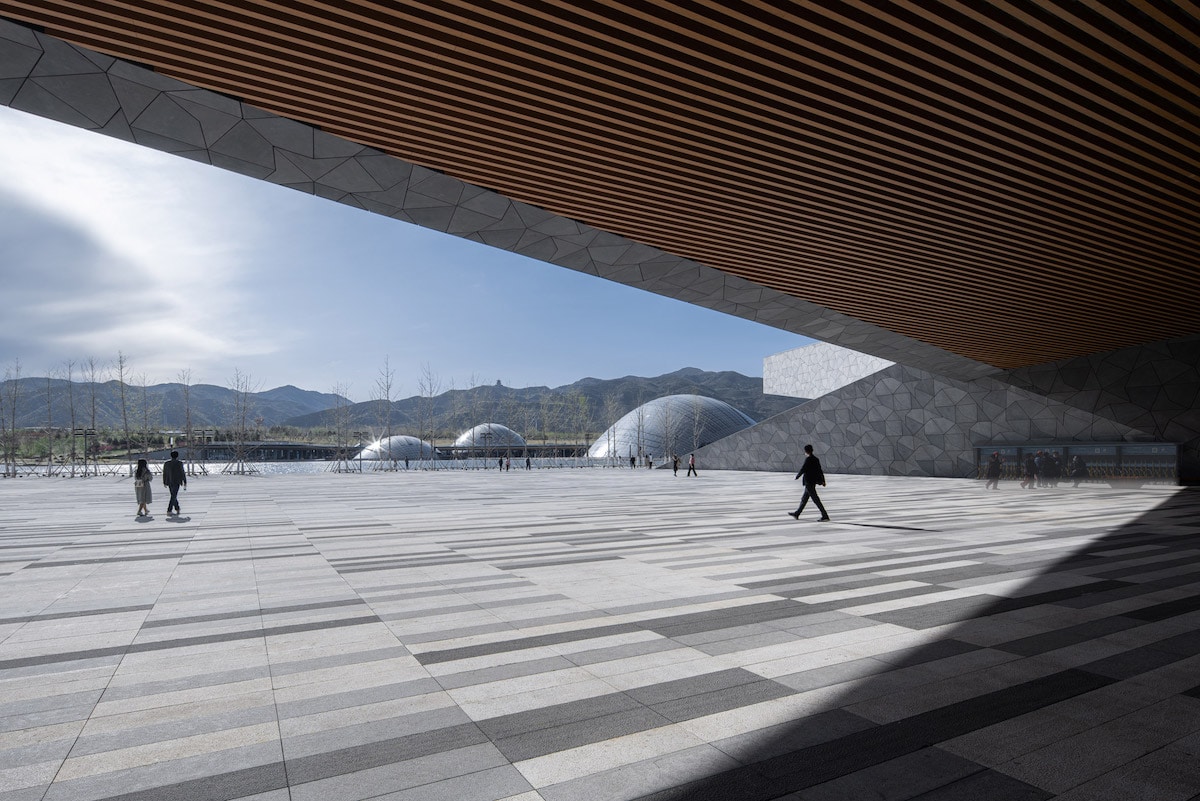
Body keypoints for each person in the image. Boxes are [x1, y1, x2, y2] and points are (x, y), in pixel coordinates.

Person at [789, 444, 829, 521]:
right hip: (812, 482)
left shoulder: (808, 459)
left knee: (816, 500)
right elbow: (820, 470)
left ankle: (825, 515)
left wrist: (798, 476)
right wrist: (823, 480)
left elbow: (803, 468)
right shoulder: (816, 459)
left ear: (806, 451)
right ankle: (797, 513)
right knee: (804, 499)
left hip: (809, 482)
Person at [162, 450, 187, 516]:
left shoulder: (166, 463)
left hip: (169, 481)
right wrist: (185, 481)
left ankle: (177, 508)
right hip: (177, 481)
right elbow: (182, 472)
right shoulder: (179, 463)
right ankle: (169, 509)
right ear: (177, 456)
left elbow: (164, 473)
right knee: (173, 495)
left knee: (173, 495)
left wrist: (164, 481)